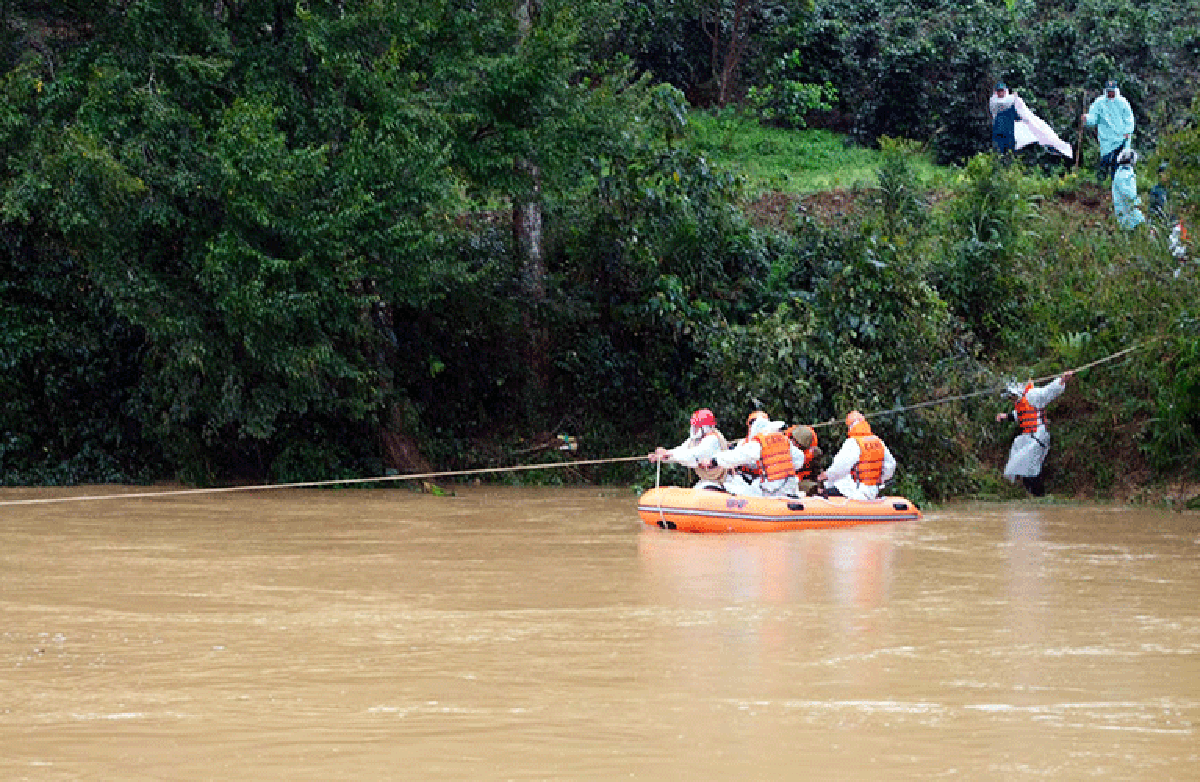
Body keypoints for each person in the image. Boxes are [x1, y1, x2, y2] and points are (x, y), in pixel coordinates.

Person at [994, 372, 1073, 497]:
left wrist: (1062, 380)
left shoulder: (1033, 395)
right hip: (1027, 437)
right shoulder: (1020, 402)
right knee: (1021, 462)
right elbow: (1019, 414)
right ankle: (1028, 494)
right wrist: (1005, 416)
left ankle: (1038, 496)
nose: (1011, 399)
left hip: (1038, 437)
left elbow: (1048, 391)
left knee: (1031, 468)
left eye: (1012, 397)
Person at [701, 412, 804, 498]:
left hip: (772, 492)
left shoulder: (759, 444)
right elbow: (800, 460)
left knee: (732, 487)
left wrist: (714, 461)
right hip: (790, 488)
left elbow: (738, 456)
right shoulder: (785, 441)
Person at [647, 408, 736, 492]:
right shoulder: (695, 440)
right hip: (707, 481)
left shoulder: (712, 440)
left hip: (721, 481)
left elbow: (692, 457)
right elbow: (681, 450)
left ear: (704, 427)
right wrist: (661, 456)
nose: (694, 429)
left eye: (696, 426)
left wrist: (667, 454)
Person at [817, 411, 897, 501]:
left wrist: (826, 475)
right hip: (873, 491)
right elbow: (891, 466)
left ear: (850, 426)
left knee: (822, 495)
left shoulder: (853, 443)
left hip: (855, 491)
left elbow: (840, 468)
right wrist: (879, 479)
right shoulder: (878, 442)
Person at [989, 82, 1073, 159]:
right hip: (999, 131)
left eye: (1002, 91)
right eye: (999, 91)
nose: (1001, 93)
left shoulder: (1013, 101)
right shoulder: (994, 102)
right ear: (996, 92)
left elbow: (1022, 114)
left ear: (1005, 91)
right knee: (998, 153)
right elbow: (1002, 103)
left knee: (1010, 153)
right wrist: (1014, 97)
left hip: (1010, 132)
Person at [1082, 80, 1135, 182]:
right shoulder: (1099, 102)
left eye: (1112, 91)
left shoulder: (1123, 102)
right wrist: (1087, 119)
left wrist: (1128, 132)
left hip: (1121, 138)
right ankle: (1100, 182)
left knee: (1118, 162)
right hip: (1106, 138)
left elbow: (1129, 119)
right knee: (1105, 160)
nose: (1110, 94)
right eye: (1109, 91)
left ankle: (1115, 182)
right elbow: (1093, 117)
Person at [1111, 148, 1145, 231]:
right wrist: (1138, 203)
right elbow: (1129, 194)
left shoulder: (1120, 172)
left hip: (1123, 211)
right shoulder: (1126, 174)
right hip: (1128, 212)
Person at [786, 425, 822, 496]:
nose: (793, 442)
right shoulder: (784, 446)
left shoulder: (814, 453)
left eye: (796, 442)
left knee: (812, 488)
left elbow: (817, 472)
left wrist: (819, 486)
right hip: (788, 481)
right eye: (793, 439)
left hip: (804, 479)